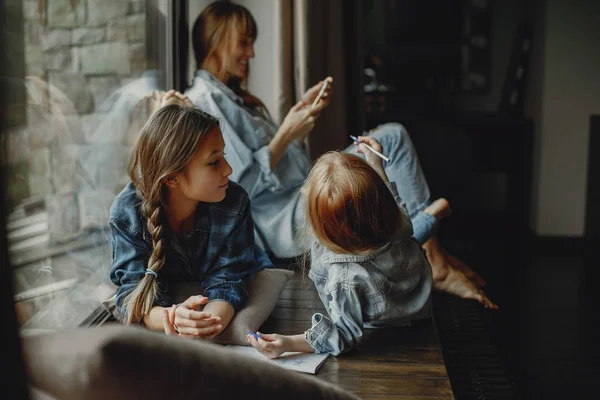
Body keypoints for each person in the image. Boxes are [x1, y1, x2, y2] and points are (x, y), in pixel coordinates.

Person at [184, 1, 494, 307]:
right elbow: (237, 187)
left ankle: (432, 252)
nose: (250, 53)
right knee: (392, 137)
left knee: (383, 140)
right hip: (284, 222)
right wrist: (287, 132)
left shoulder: (235, 98)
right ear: (217, 42)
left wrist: (299, 120)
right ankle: (433, 258)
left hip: (299, 194)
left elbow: (278, 162)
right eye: (243, 43)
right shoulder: (204, 100)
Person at [247, 137, 494, 357]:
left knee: (406, 237)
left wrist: (288, 343)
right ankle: (430, 216)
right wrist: (376, 163)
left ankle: (430, 217)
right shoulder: (388, 221)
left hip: (390, 318)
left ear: (320, 223)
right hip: (410, 284)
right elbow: (394, 207)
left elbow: (345, 335)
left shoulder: (344, 279)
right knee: (406, 235)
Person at [109, 97, 273, 339]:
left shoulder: (234, 202)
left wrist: (205, 323)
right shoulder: (127, 214)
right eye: (214, 161)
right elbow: (131, 294)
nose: (228, 169)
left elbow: (228, 281)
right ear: (172, 178)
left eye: (224, 156)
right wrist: (174, 318)